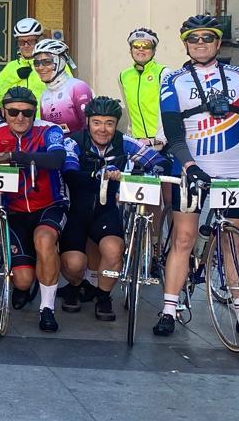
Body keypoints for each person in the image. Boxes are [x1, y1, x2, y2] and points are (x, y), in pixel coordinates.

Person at [156, 14, 239, 341]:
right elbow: (174, 133)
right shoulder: (173, 80)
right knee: (184, 239)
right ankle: (168, 310)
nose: (200, 44)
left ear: (218, 43)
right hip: (190, 170)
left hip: (231, 170)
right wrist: (190, 165)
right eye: (194, 39)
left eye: (207, 38)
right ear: (186, 44)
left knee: (233, 240)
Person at [58, 97, 166, 320]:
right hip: (77, 211)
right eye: (97, 122)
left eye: (109, 123)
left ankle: (103, 295)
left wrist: (149, 171)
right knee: (73, 264)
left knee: (115, 250)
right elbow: (70, 172)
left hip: (106, 212)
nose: (103, 129)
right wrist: (99, 175)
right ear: (87, 122)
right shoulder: (74, 142)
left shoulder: (124, 142)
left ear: (116, 124)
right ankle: (75, 286)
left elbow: (160, 161)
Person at [0, 84, 75, 333]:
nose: (20, 117)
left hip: (49, 204)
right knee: (23, 280)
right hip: (14, 210)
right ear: (3, 112)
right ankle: (27, 283)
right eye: (13, 112)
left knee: (44, 240)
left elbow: (56, 160)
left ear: (35, 113)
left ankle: (47, 308)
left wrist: (13, 155)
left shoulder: (49, 131)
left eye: (27, 113)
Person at [31, 37, 92, 136]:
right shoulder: (44, 95)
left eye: (47, 62)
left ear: (61, 62)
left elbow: (89, 127)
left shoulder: (78, 87)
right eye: (36, 63)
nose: (40, 67)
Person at [119, 27, 166, 146]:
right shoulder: (124, 75)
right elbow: (129, 111)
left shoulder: (163, 73)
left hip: (161, 140)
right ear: (130, 50)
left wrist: (161, 138)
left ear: (154, 50)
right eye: (136, 45)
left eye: (146, 46)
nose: (141, 49)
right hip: (137, 141)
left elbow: (168, 110)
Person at [0, 17, 45, 109]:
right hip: (17, 121)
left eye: (31, 41)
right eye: (21, 42)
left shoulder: (51, 64)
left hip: (45, 122)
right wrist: (14, 77)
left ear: (39, 41)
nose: (26, 46)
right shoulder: (11, 67)